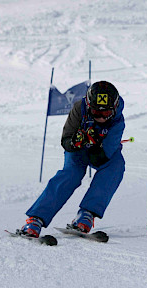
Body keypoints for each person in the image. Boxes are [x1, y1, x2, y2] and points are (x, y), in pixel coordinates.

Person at [20, 81, 126, 237]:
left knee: (115, 167)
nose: (101, 118)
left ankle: (86, 214)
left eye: (105, 113)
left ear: (115, 108)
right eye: (96, 113)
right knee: (71, 174)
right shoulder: (79, 109)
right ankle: (35, 219)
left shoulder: (118, 120)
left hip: (102, 152)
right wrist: (76, 142)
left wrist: (95, 142)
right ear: (89, 106)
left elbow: (101, 158)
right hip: (79, 150)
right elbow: (65, 141)